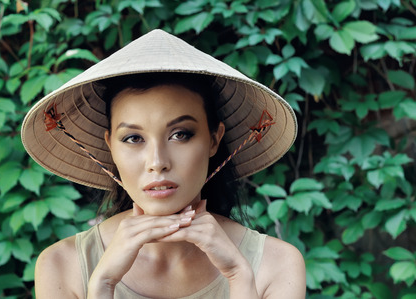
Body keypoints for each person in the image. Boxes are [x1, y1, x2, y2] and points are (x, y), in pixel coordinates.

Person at [21, 29, 305, 298]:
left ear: (214, 140)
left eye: (180, 134)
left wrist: (239, 276)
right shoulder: (62, 265)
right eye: (133, 138)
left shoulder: (275, 264)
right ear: (110, 147)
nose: (157, 163)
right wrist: (102, 285)